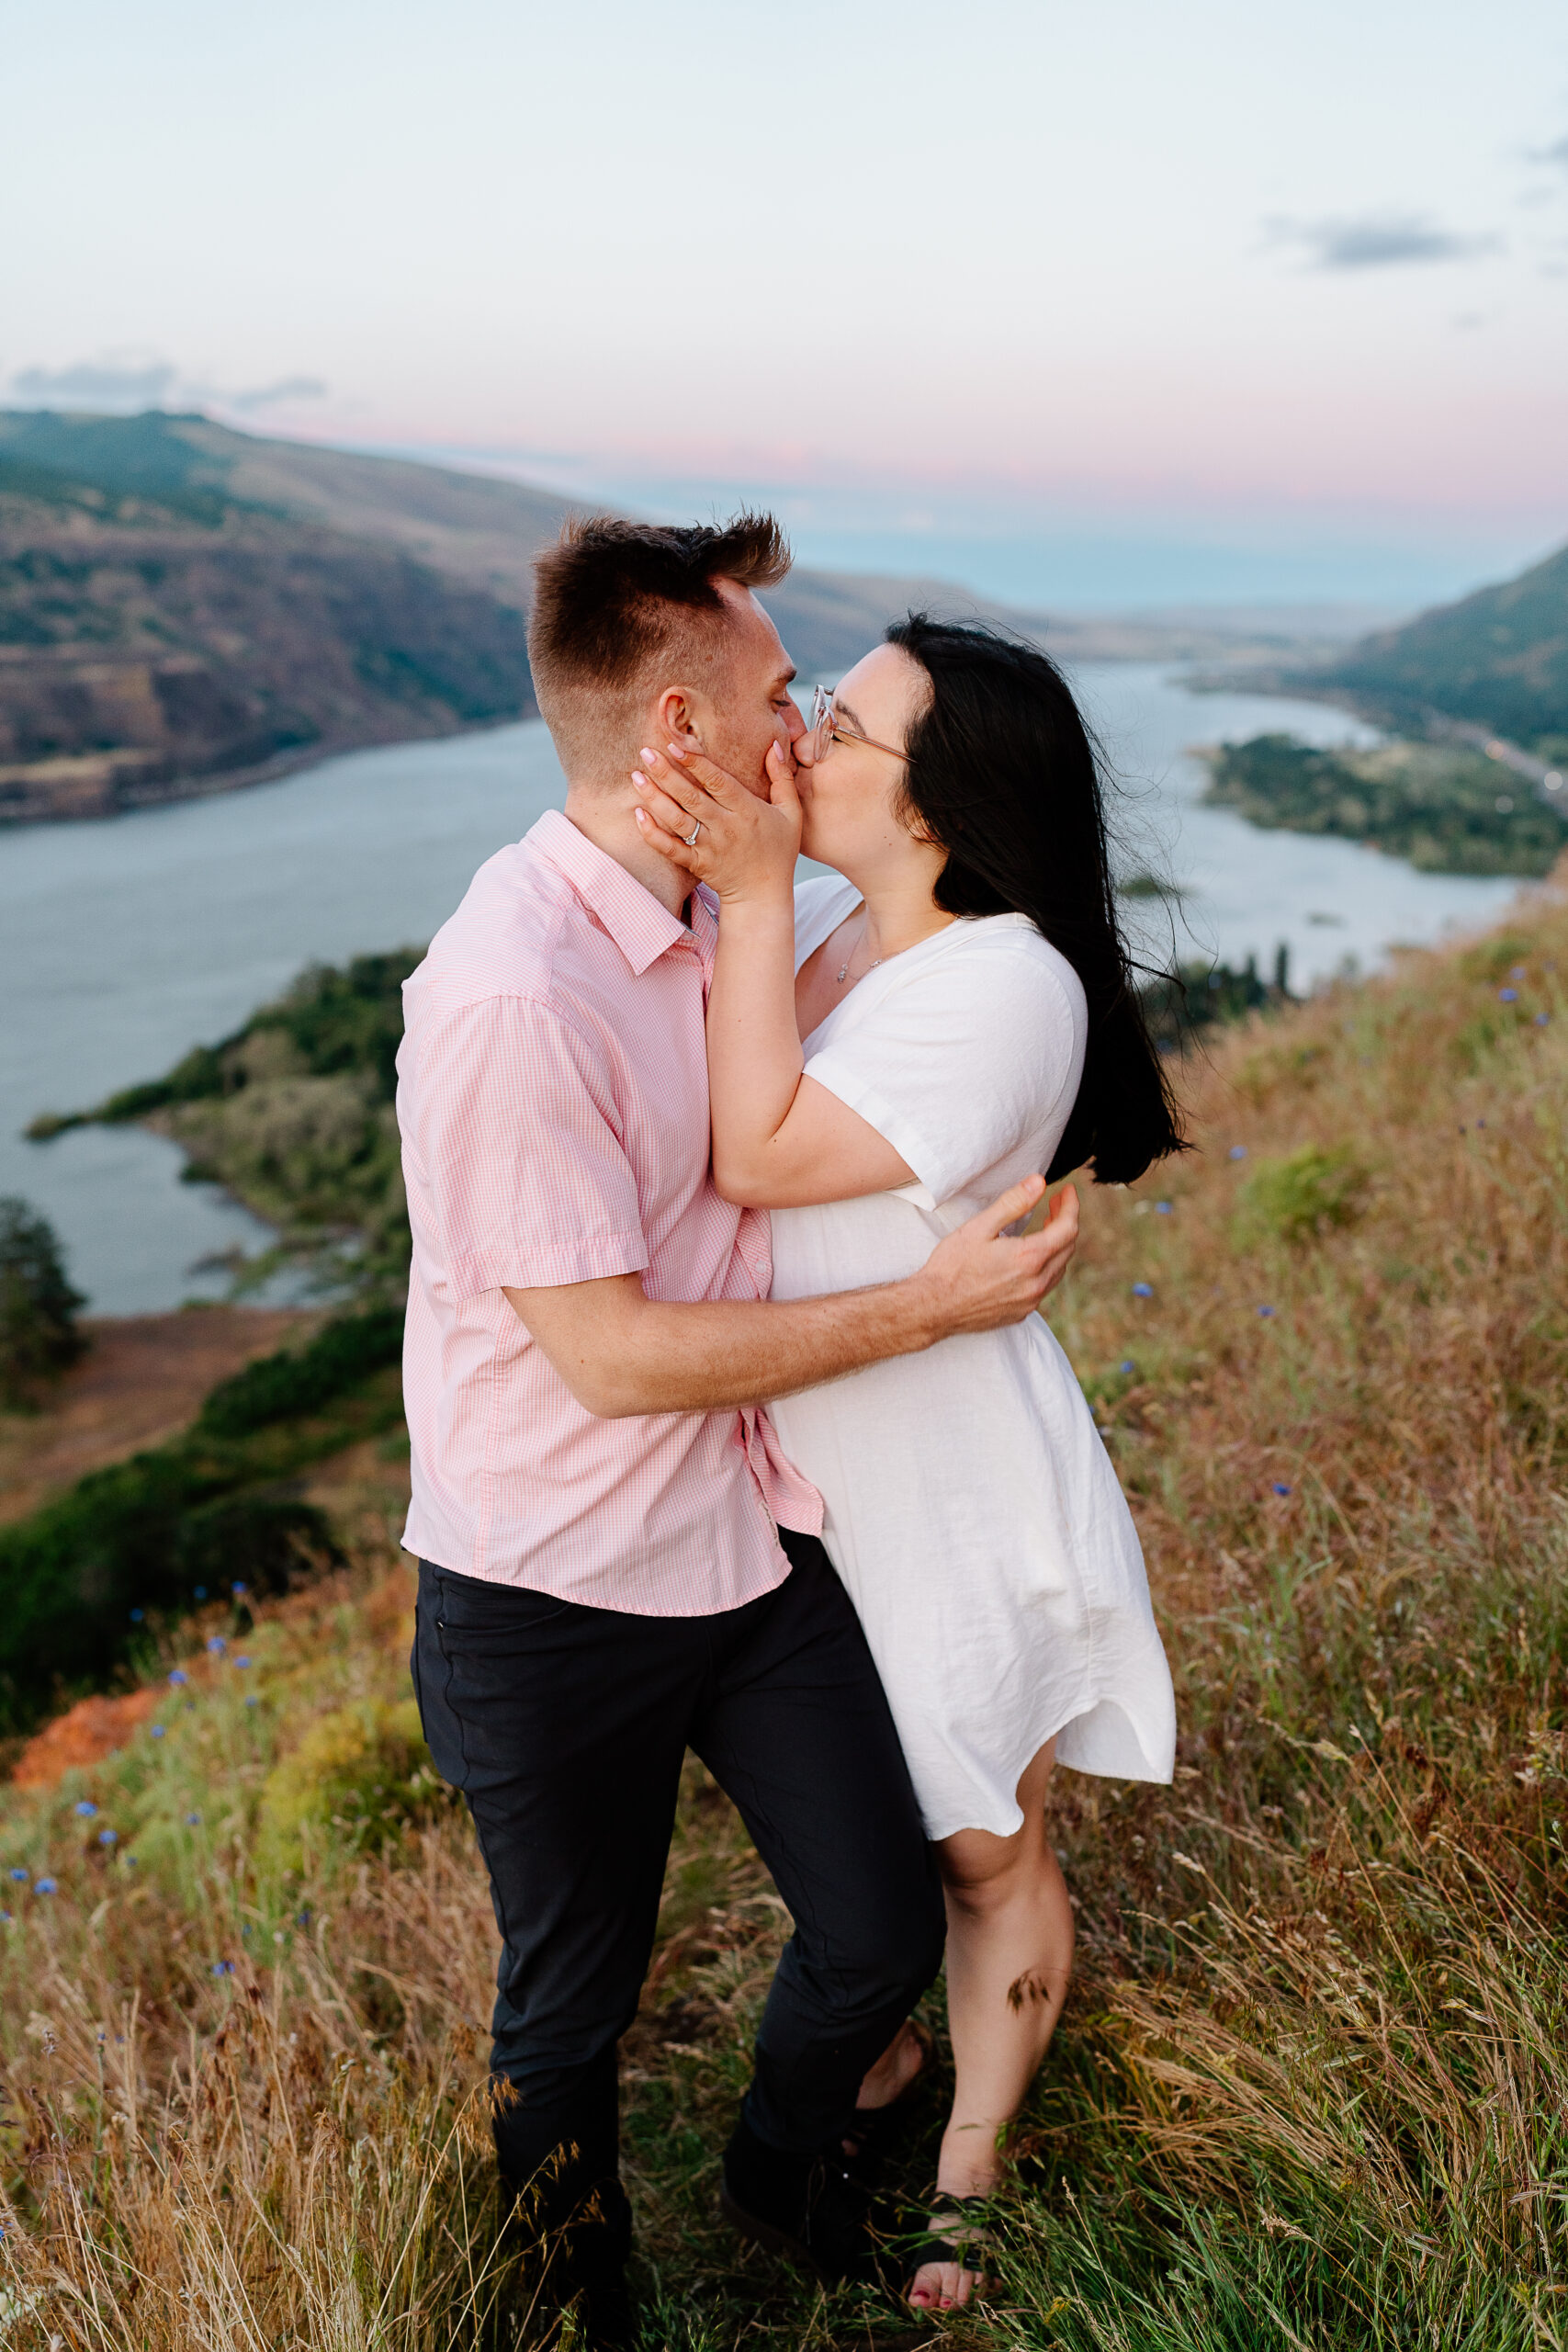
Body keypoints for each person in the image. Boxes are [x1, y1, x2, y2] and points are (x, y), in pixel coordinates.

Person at [395, 517, 1080, 2347]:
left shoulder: (724, 905)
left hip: (748, 1528)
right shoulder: (508, 995)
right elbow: (609, 1358)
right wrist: (925, 1308)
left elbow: (925, 1020)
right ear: (679, 733)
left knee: (868, 1926)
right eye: (787, 697)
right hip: (549, 1586)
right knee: (568, 2007)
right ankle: (574, 2304)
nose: (803, 725)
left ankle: (782, 2177)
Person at [631, 613, 1183, 2315]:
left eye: (842, 730)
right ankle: (877, 2056)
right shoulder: (856, 942)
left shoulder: (1003, 980)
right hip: (812, 1472)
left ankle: (970, 2160)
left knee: (982, 1850)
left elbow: (758, 1148)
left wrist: (747, 888)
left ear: (936, 802)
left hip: (944, 1488)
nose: (800, 744)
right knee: (869, 1838)